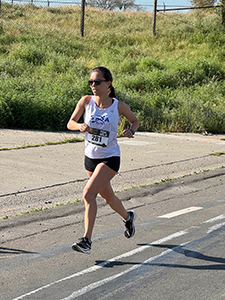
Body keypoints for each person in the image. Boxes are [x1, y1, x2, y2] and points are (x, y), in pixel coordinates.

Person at [67, 66, 139, 254]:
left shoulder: (118, 106)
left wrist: (131, 130)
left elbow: (135, 121)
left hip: (110, 158)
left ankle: (86, 241)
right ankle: (128, 217)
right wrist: (79, 126)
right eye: (91, 82)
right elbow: (70, 122)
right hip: (90, 158)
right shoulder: (86, 101)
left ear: (108, 84)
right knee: (108, 198)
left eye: (97, 82)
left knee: (88, 194)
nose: (93, 85)